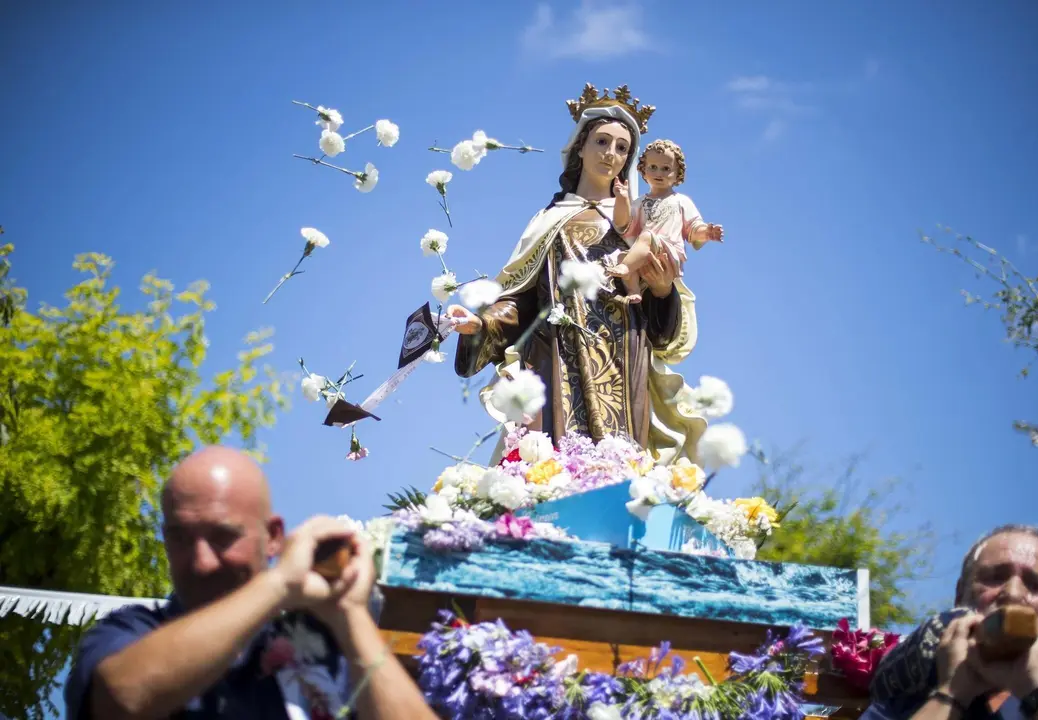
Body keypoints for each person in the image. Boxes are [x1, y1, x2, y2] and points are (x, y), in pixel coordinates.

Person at [64, 445, 437, 720]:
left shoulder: (332, 644)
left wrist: (350, 613)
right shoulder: (132, 631)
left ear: (273, 536)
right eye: (180, 537)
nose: (202, 562)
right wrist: (279, 584)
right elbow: (122, 699)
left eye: (223, 536)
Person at [445, 83, 708, 465]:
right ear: (580, 147)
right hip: (557, 359)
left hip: (623, 361)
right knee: (553, 466)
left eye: (622, 148)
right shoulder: (550, 220)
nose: (611, 154)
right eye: (602, 142)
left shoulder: (636, 222)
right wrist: (482, 324)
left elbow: (662, 332)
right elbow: (523, 299)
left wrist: (664, 291)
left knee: (617, 470)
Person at [864, 524, 1038, 720]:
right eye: (994, 577)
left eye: (1035, 585)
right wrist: (951, 693)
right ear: (960, 597)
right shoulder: (900, 703)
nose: (1012, 594)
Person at [609, 138, 725, 304]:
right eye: (653, 167)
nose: (659, 173)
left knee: (646, 237)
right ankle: (634, 291)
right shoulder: (640, 202)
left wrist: (706, 232)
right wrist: (622, 199)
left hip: (668, 252)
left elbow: (692, 228)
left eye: (666, 169)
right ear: (643, 170)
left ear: (678, 174)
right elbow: (624, 225)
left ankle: (627, 267)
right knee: (623, 256)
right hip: (643, 253)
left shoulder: (680, 201)